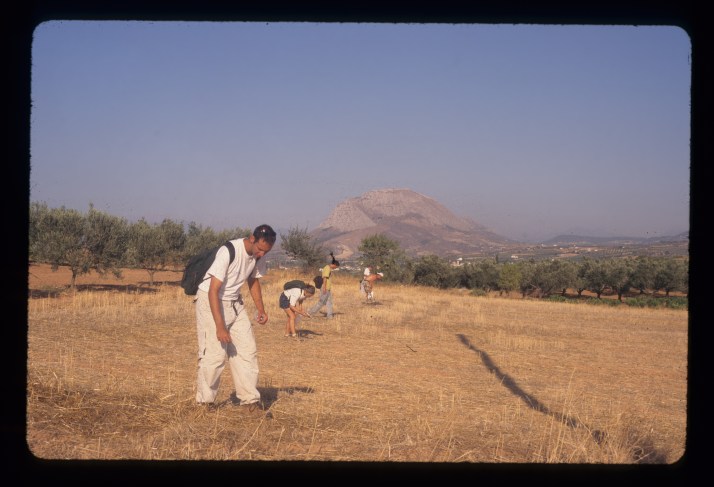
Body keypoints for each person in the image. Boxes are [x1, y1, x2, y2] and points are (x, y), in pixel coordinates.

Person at [194, 224, 277, 411]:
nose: (262, 254)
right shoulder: (229, 250)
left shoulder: (258, 256)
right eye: (260, 249)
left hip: (234, 303)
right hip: (211, 301)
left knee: (247, 351)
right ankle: (204, 402)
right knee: (214, 355)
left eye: (267, 252)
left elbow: (253, 280)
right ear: (252, 238)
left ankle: (250, 401)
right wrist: (220, 326)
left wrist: (261, 309)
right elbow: (213, 291)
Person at [308, 252, 340, 319]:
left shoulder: (328, 268)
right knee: (321, 302)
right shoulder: (327, 268)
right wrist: (324, 288)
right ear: (333, 264)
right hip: (325, 288)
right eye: (336, 267)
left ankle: (329, 316)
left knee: (329, 302)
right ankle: (310, 312)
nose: (335, 268)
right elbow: (324, 278)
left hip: (327, 288)